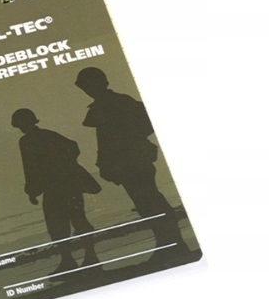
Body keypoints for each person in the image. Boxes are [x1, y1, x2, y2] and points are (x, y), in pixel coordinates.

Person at [74, 67, 188, 252]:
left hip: (132, 161)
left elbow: (113, 137)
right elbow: (106, 139)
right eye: (85, 87)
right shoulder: (116, 102)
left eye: (88, 85)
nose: (87, 90)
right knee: (147, 203)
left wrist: (129, 144)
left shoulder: (115, 103)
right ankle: (168, 242)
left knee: (150, 202)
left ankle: (172, 243)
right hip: (129, 161)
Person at [11, 108, 100, 272]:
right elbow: (71, 148)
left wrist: (35, 188)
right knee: (67, 223)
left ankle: (82, 258)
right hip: (63, 186)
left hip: (60, 187)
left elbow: (30, 168)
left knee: (67, 223)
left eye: (22, 124)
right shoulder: (41, 137)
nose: (22, 128)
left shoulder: (29, 140)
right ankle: (78, 258)